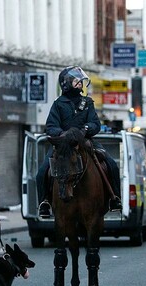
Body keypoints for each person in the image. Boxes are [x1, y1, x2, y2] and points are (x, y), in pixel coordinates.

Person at [36, 66, 121, 218]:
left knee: (111, 164)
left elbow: (96, 124)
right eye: (76, 81)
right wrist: (63, 134)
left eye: (80, 81)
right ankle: (45, 203)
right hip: (62, 145)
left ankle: (114, 199)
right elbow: (51, 127)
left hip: (86, 142)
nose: (80, 83)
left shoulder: (87, 102)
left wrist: (86, 129)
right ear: (66, 83)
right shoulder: (58, 104)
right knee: (43, 171)